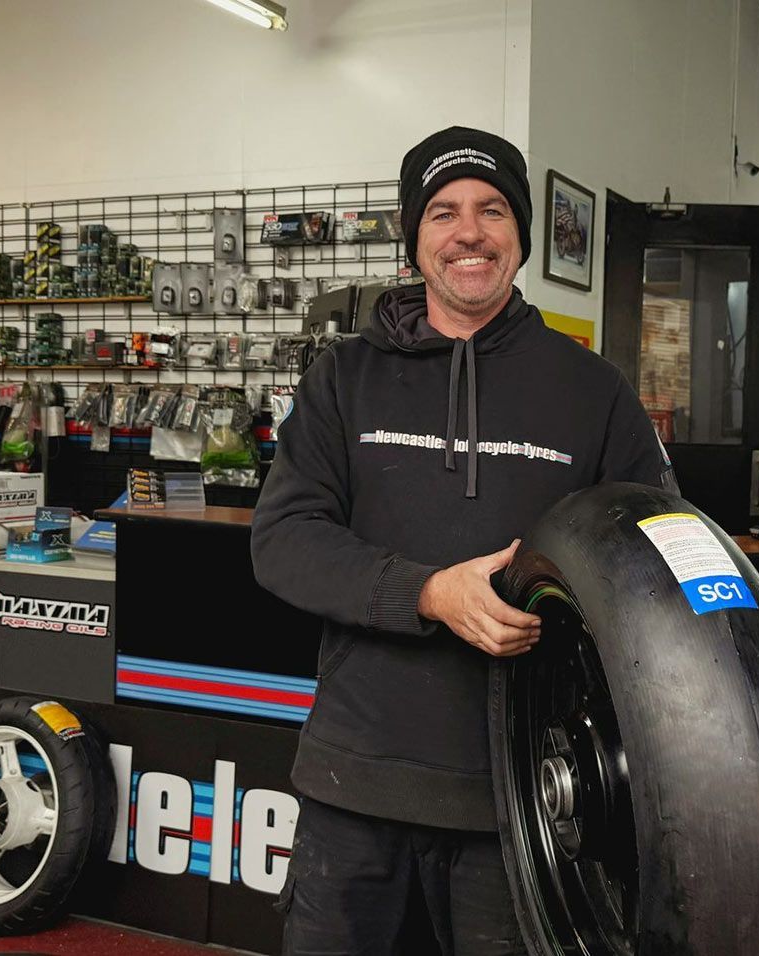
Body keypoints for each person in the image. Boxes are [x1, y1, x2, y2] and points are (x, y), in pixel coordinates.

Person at [250, 126, 676, 955]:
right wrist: (429, 593)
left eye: (490, 210)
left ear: (520, 235)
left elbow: (650, 552)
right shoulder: (344, 378)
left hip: (523, 797)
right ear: (415, 240)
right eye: (443, 212)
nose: (468, 231)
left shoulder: (593, 391)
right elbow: (285, 539)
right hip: (355, 787)